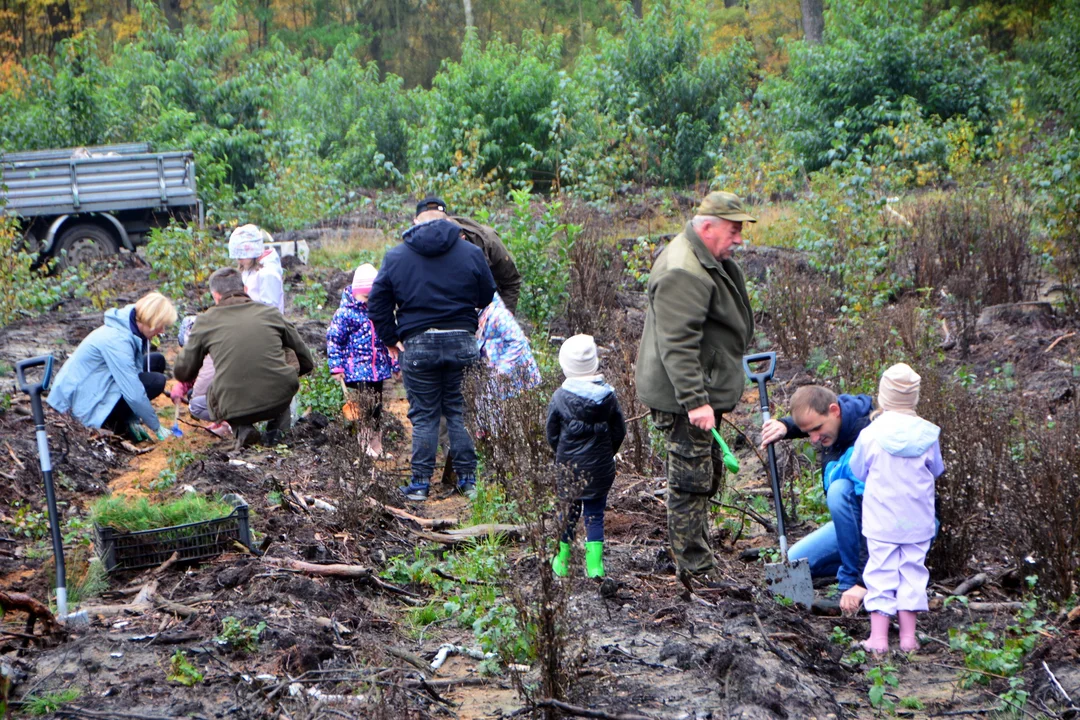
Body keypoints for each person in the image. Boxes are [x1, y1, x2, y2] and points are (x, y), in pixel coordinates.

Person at [635, 191, 756, 584]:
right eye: (733, 230)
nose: (739, 238)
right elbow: (678, 344)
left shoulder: (707, 258)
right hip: (685, 396)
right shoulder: (682, 270)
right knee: (690, 479)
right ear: (708, 227)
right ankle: (696, 570)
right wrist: (695, 401)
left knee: (706, 472)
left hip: (701, 389)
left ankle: (698, 550)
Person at [368, 212, 496, 501]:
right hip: (462, 341)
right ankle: (467, 481)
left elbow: (377, 304)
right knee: (459, 412)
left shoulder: (396, 256)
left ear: (416, 225)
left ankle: (420, 485)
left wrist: (392, 338)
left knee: (425, 415)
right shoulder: (471, 252)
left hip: (417, 343)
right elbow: (488, 294)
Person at [850, 364, 942, 653]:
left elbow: (858, 470)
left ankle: (878, 640)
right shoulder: (929, 434)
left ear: (883, 397)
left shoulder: (871, 433)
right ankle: (908, 639)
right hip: (918, 521)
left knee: (880, 573)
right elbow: (936, 469)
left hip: (881, 521)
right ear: (914, 398)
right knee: (913, 573)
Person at [760, 385, 874, 613]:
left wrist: (860, 581)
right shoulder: (833, 423)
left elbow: (874, 517)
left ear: (835, 411)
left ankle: (852, 582)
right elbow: (815, 419)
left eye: (817, 429)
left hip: (884, 529)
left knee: (839, 491)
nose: (813, 439)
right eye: (807, 431)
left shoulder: (867, 436)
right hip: (853, 526)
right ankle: (877, 571)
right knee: (792, 563)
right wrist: (785, 425)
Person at [174, 267, 314, 449]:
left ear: (215, 296)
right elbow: (306, 359)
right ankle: (277, 432)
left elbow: (183, 371)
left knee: (205, 399)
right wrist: (289, 378)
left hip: (233, 404)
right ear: (245, 289)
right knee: (285, 354)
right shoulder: (270, 313)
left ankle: (241, 427)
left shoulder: (206, 321)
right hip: (278, 396)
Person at [47, 292, 177, 442]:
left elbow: (133, 371)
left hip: (95, 385)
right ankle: (115, 423)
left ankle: (126, 419)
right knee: (156, 381)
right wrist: (156, 426)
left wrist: (134, 417)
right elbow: (133, 392)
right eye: (161, 326)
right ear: (151, 320)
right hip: (80, 406)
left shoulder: (129, 326)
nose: (162, 331)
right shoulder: (117, 341)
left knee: (157, 361)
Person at [547, 334, 626, 579]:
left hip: (569, 467)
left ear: (565, 367)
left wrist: (561, 453)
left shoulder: (560, 397)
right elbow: (619, 431)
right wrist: (606, 454)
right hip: (600, 469)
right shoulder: (608, 397)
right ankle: (595, 567)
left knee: (567, 513)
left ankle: (562, 560)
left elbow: (551, 433)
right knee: (595, 514)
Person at [326, 263, 400, 458]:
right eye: (366, 297)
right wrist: (336, 367)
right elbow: (335, 341)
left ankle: (377, 446)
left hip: (377, 369)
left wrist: (395, 364)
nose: (369, 302)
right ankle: (364, 444)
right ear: (356, 292)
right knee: (363, 408)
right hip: (356, 370)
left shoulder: (381, 313)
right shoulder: (346, 314)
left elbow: (389, 340)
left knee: (376, 408)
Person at [413, 196, 522, 314]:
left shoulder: (488, 242)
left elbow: (511, 281)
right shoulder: (416, 246)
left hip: (484, 306)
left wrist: (502, 316)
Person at [169, 316, 231, 437]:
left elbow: (203, 384)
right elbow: (197, 374)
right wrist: (181, 387)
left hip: (235, 396)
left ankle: (229, 424)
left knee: (196, 403)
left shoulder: (214, 354)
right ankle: (223, 422)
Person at [229, 224, 285, 313]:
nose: (239, 261)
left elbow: (270, 310)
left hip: (264, 323)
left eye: (241, 257)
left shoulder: (268, 273)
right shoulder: (247, 268)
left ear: (252, 252)